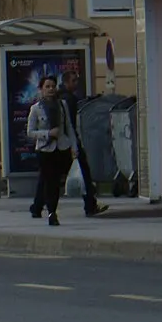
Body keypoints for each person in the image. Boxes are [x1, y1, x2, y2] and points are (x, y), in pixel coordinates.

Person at [26, 74, 76, 226]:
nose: (50, 89)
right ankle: (51, 212)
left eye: (53, 86)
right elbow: (30, 132)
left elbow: (69, 127)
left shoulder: (62, 105)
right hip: (45, 150)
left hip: (62, 147)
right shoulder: (36, 109)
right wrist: (47, 134)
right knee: (50, 182)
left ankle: (39, 206)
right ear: (41, 89)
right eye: (47, 87)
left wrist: (74, 147)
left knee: (55, 181)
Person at [60, 67, 105, 217]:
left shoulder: (61, 97)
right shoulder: (69, 99)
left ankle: (38, 205)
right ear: (66, 82)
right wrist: (75, 142)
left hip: (61, 143)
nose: (76, 83)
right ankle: (90, 206)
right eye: (74, 81)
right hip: (70, 142)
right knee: (84, 172)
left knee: (49, 176)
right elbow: (70, 123)